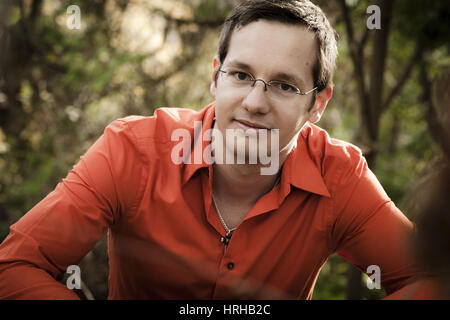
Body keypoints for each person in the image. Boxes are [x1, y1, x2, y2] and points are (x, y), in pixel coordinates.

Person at [0, 0, 438, 299]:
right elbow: (17, 266)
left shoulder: (340, 177)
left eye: (284, 85)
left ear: (317, 103)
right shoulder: (133, 151)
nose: (254, 103)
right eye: (241, 75)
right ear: (216, 77)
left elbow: (429, 279)